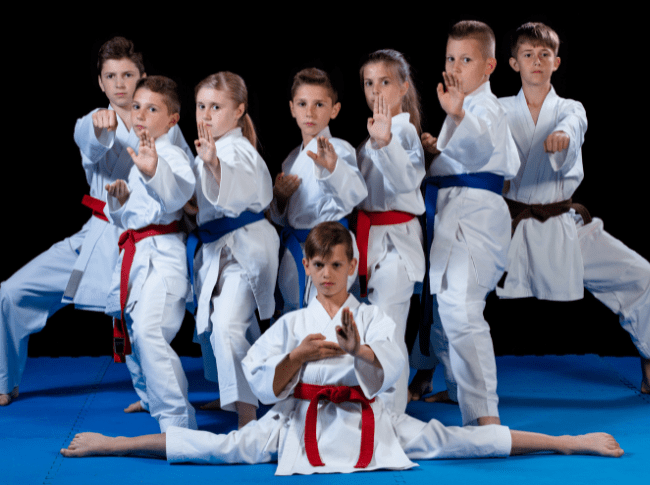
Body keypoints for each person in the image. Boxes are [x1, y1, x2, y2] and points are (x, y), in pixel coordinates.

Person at [60, 222, 624, 474]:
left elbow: (391, 370)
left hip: (371, 421)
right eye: (318, 264)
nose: (327, 273)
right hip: (298, 420)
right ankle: (115, 444)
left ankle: (567, 441)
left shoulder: (372, 317)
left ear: (354, 266)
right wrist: (297, 359)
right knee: (223, 448)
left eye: (337, 263)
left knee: (461, 441)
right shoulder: (294, 324)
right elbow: (262, 380)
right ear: (306, 267)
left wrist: (360, 353)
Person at [0, 37, 191, 406]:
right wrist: (101, 126)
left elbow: (183, 183)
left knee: (215, 306)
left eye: (128, 75)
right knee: (10, 293)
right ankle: (4, 380)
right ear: (101, 83)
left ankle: (217, 392)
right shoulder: (92, 121)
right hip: (99, 233)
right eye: (111, 76)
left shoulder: (167, 127)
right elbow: (89, 138)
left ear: (142, 77)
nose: (120, 84)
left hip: (154, 239)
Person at [497, 21, 650, 393]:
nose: (537, 61)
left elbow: (574, 124)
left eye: (544, 54)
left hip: (562, 224)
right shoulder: (497, 109)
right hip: (506, 225)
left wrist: (564, 136)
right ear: (514, 63)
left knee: (640, 275)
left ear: (557, 62)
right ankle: (426, 373)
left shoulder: (570, 109)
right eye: (528, 54)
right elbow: (475, 143)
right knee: (450, 288)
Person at [415, 21, 520, 426]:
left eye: (466, 59)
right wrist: (436, 151)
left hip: (476, 216)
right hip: (453, 210)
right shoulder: (465, 106)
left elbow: (480, 147)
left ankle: (485, 416)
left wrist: (458, 115)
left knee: (462, 308)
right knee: (446, 308)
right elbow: (460, 155)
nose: (455, 67)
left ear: (489, 65)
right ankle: (460, 391)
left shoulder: (485, 107)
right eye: (450, 58)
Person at [104, 76, 196, 433]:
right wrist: (121, 200)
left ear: (172, 119)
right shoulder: (141, 155)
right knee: (131, 329)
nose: (140, 115)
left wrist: (155, 170)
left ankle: (177, 422)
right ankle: (150, 397)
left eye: (152, 108)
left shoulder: (172, 156)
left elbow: (178, 197)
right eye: (137, 106)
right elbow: (130, 219)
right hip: (138, 253)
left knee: (149, 330)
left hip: (164, 257)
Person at [189, 72, 279, 429]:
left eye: (216, 106)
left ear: (239, 110)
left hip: (246, 247)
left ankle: (246, 413)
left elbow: (236, 186)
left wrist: (214, 165)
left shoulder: (235, 149)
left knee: (227, 325)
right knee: (222, 323)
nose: (206, 114)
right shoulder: (213, 146)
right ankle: (240, 393)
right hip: (219, 248)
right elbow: (204, 201)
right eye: (201, 106)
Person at [355, 49, 429, 414]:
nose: (376, 90)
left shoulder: (403, 130)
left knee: (388, 328)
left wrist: (385, 143)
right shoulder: (374, 133)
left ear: (403, 87)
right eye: (369, 83)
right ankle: (375, 407)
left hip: (396, 243)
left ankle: (392, 414)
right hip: (370, 240)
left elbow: (406, 181)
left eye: (384, 82)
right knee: (376, 329)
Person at [269, 68, 367, 313]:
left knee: (326, 315)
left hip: (330, 244)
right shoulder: (291, 160)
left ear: (334, 110)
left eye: (319, 104)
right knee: (296, 313)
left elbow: (355, 195)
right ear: (292, 108)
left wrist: (332, 168)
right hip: (297, 249)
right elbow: (283, 218)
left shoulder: (339, 149)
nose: (309, 112)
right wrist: (280, 198)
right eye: (302, 104)